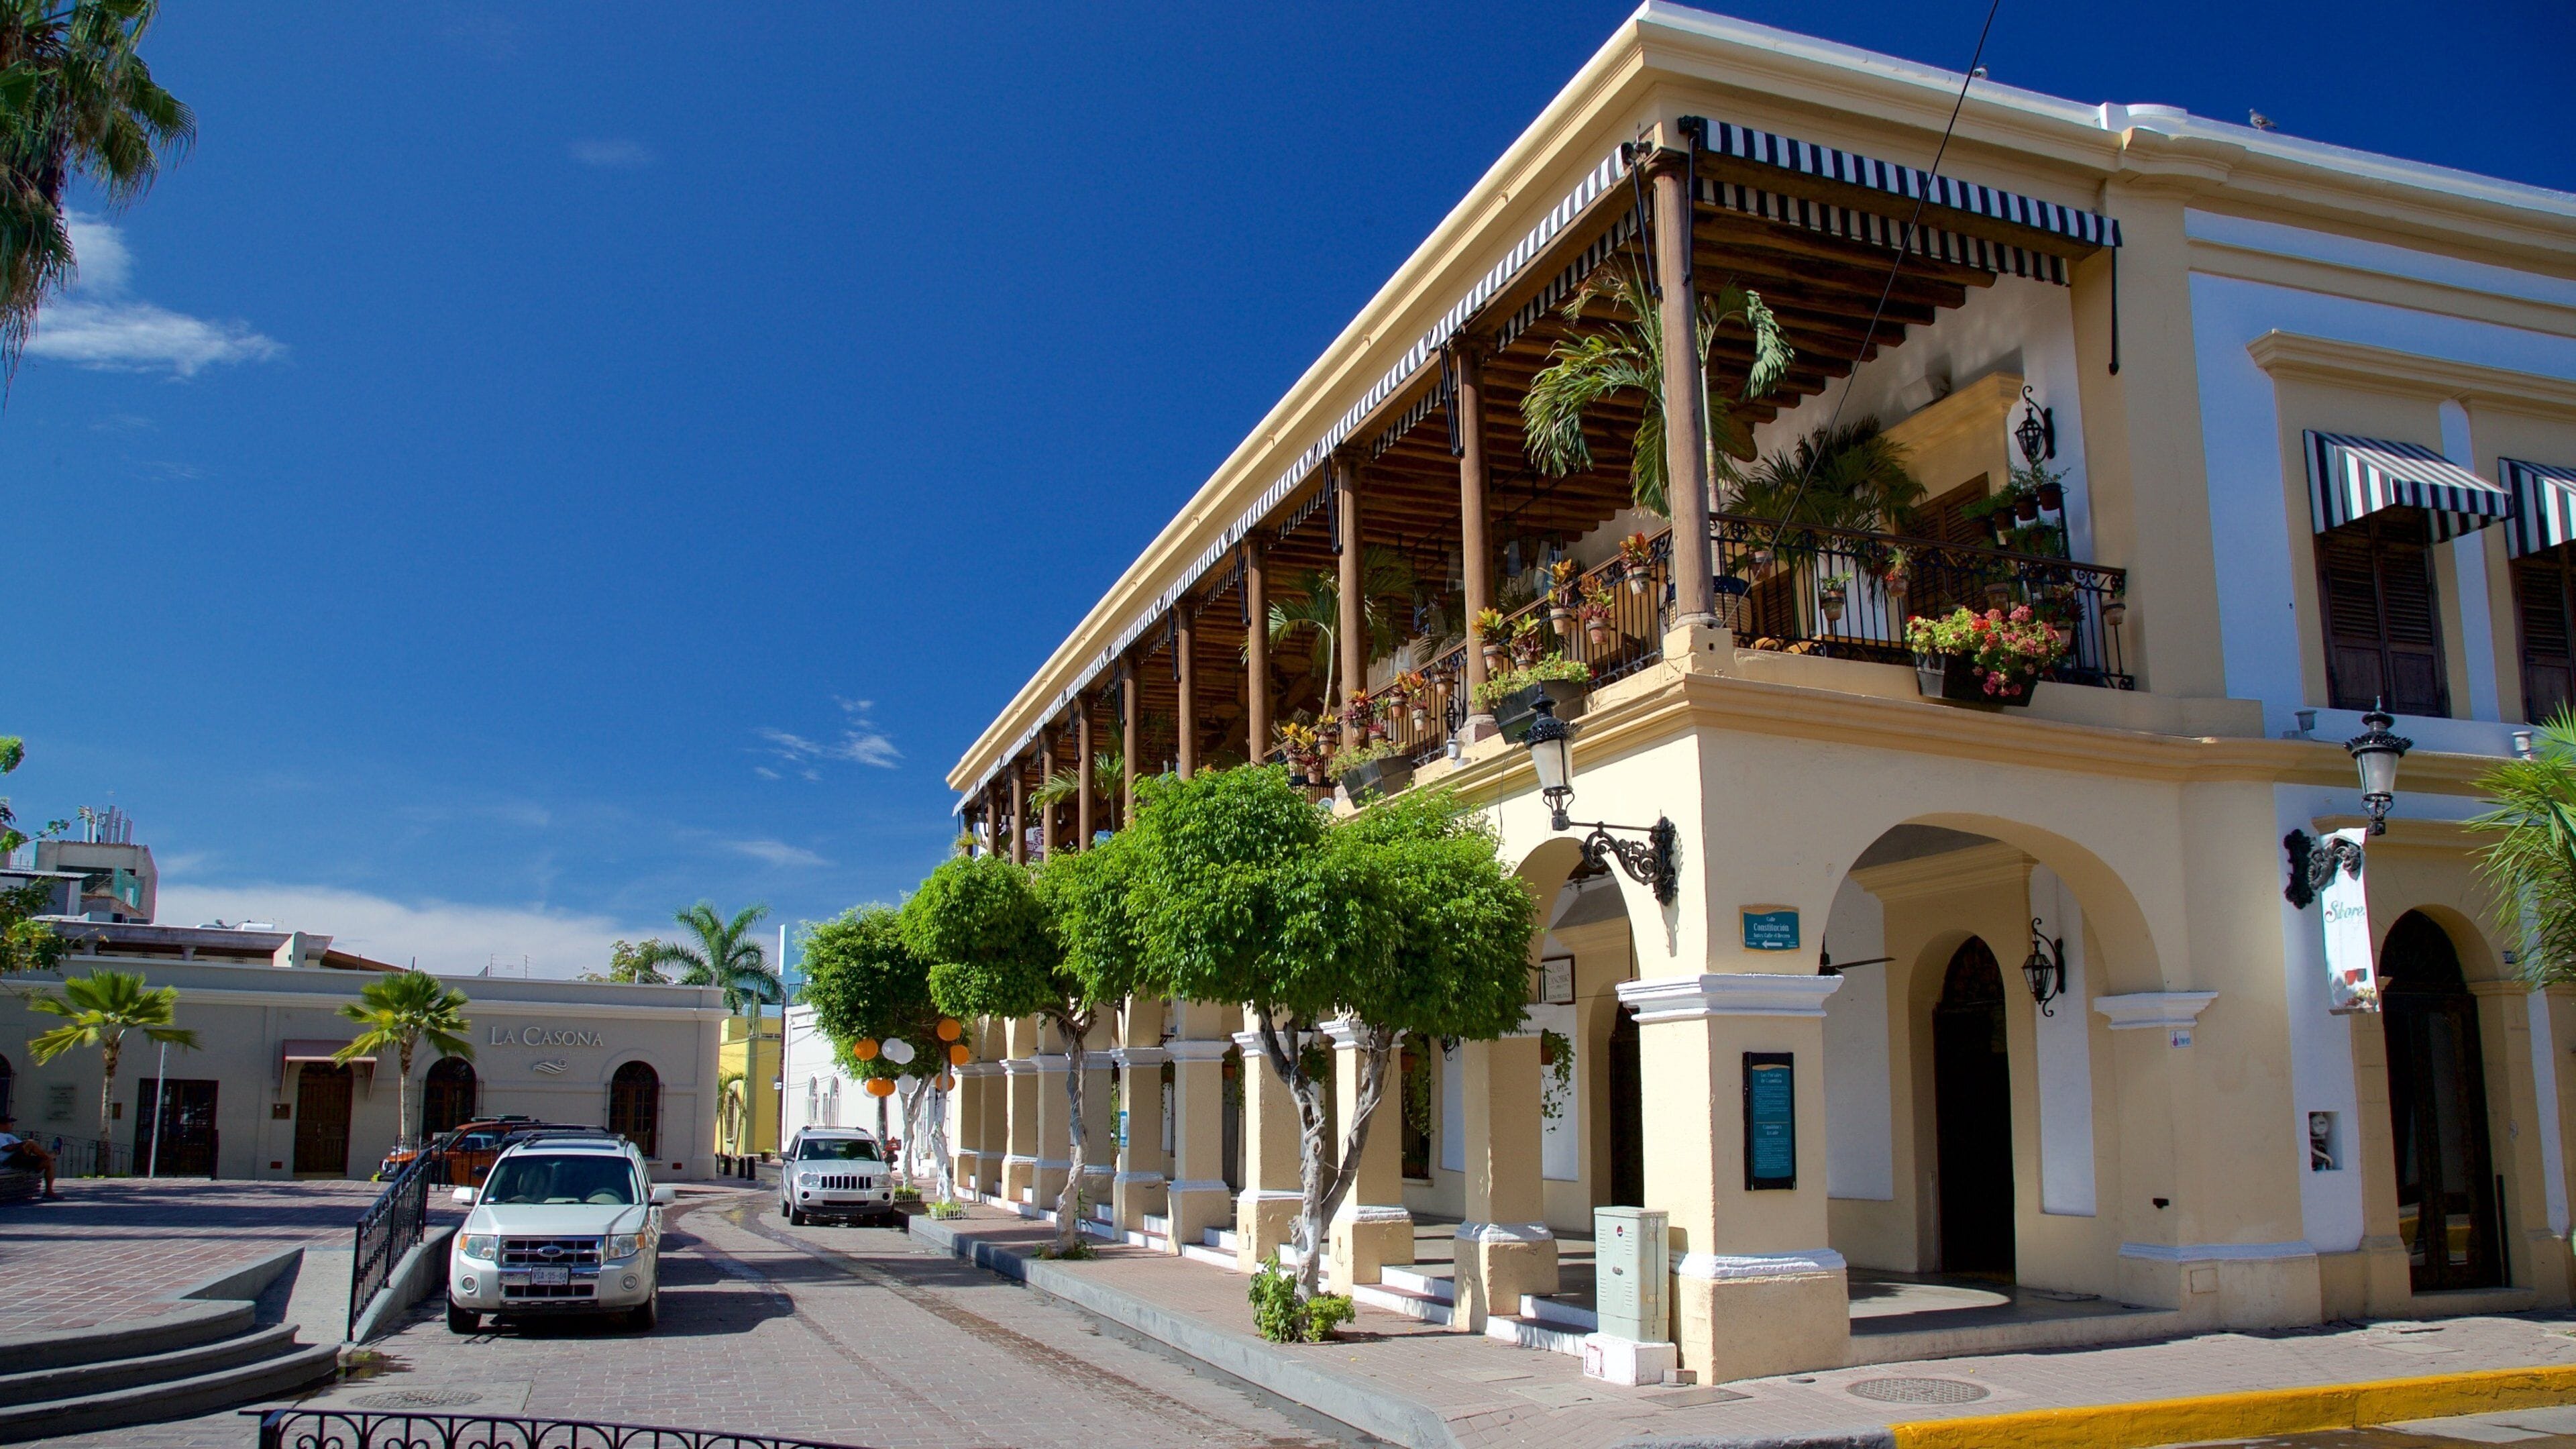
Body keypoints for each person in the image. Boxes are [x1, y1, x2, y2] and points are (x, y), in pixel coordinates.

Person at [0, 1116, 59, 1197]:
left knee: (50, 1163)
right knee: (30, 1142)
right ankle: (51, 1155)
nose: (12, 1125)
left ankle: (49, 1191)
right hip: (8, 1161)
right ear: (2, 1125)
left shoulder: (9, 1136)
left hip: (20, 1160)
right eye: (10, 1123)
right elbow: (7, 1148)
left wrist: (25, 1145)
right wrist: (25, 1143)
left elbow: (23, 1147)